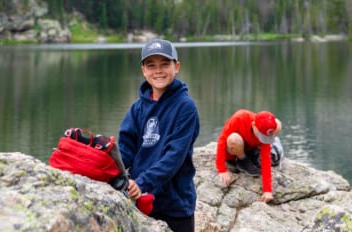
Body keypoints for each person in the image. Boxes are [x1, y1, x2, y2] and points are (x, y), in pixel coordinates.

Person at [118, 38, 200, 232]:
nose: (158, 71)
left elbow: (174, 157)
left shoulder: (185, 107)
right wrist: (114, 174)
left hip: (175, 205)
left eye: (165, 64)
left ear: (176, 66)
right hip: (142, 202)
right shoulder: (137, 109)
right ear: (143, 70)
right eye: (151, 65)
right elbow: (125, 150)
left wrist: (142, 182)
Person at [215, 109, 283, 203]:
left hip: (250, 148)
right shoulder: (240, 117)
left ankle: (254, 154)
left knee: (278, 124)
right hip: (233, 150)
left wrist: (267, 190)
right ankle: (242, 160)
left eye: (265, 137)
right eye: (261, 136)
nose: (263, 139)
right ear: (254, 125)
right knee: (234, 139)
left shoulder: (264, 130)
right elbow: (222, 139)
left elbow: (266, 159)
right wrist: (221, 169)